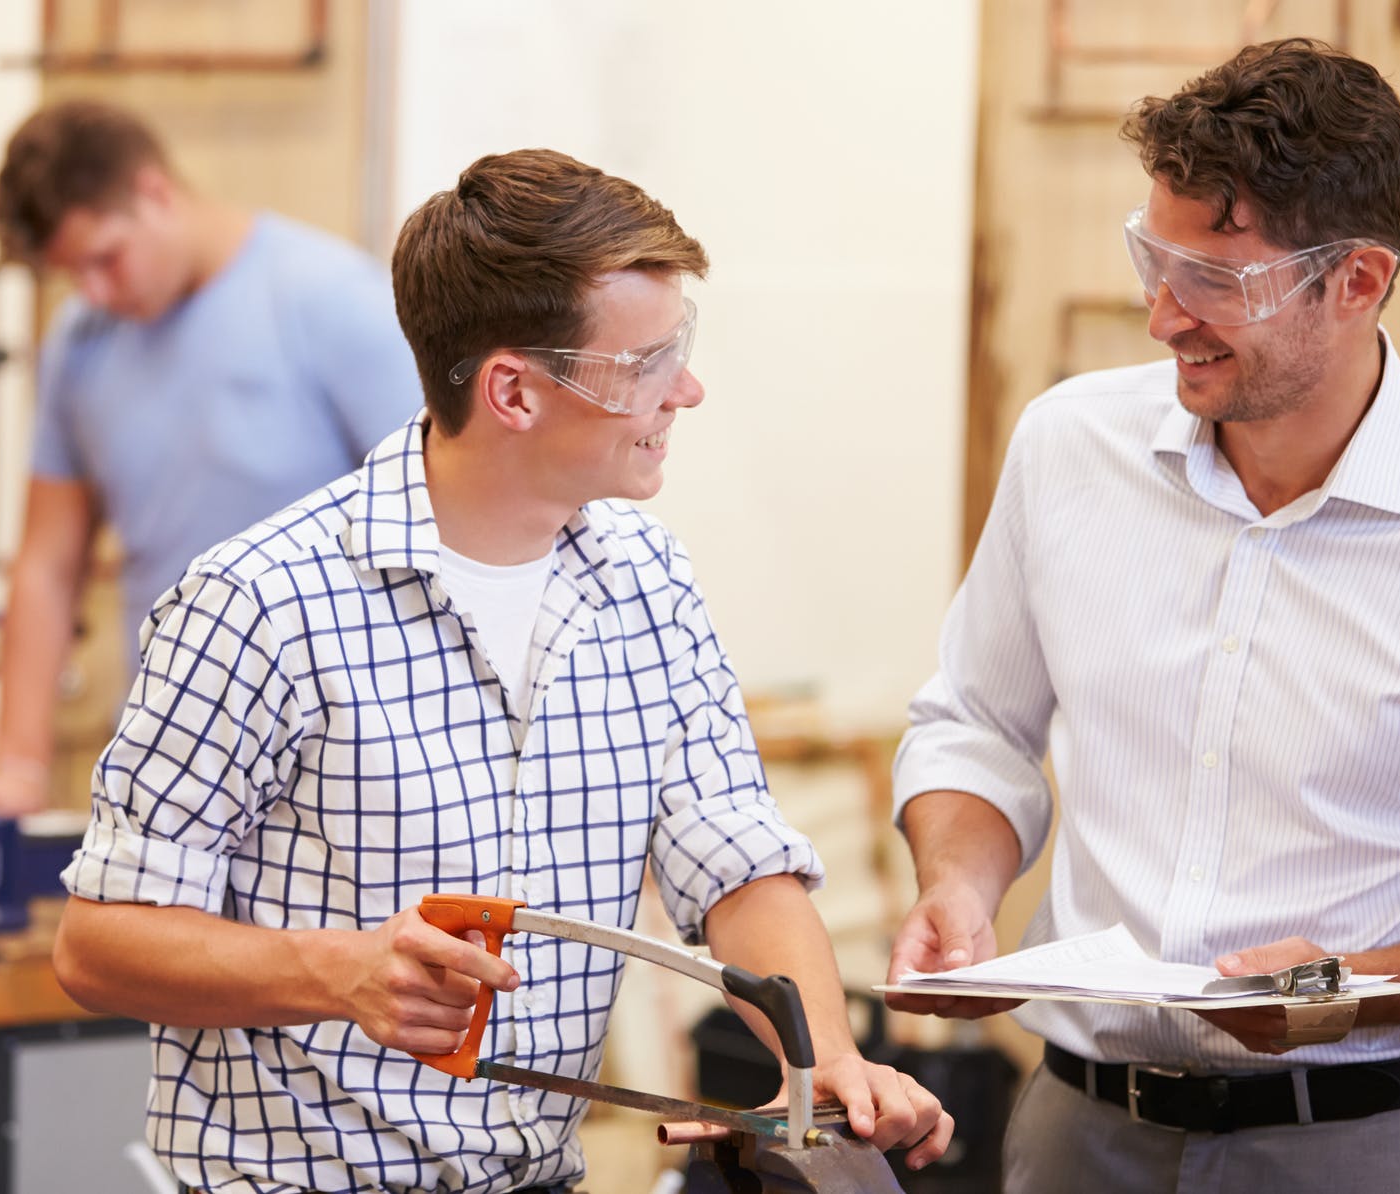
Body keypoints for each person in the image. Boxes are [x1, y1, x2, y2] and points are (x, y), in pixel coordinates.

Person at [51, 148, 953, 1193]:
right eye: (644, 365)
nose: (688, 390)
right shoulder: (260, 602)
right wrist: (339, 975)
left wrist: (823, 1055)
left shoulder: (645, 580)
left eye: (682, 348)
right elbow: (98, 944)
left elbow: (736, 861)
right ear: (513, 392)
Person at [883, 37, 1400, 1194]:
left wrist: (1350, 984)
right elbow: (975, 723)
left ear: (1358, 280)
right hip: (1076, 1128)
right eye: (1152, 261)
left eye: (1218, 279)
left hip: (1353, 1143)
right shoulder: (1069, 448)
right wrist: (959, 888)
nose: (1165, 316)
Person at [0, 99, 423, 816]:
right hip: (169, 753)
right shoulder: (80, 341)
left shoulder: (333, 300)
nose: (91, 292)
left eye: (104, 259)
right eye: (71, 274)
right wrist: (18, 769)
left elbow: (445, 523)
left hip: (338, 758)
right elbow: (45, 564)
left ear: (154, 192)